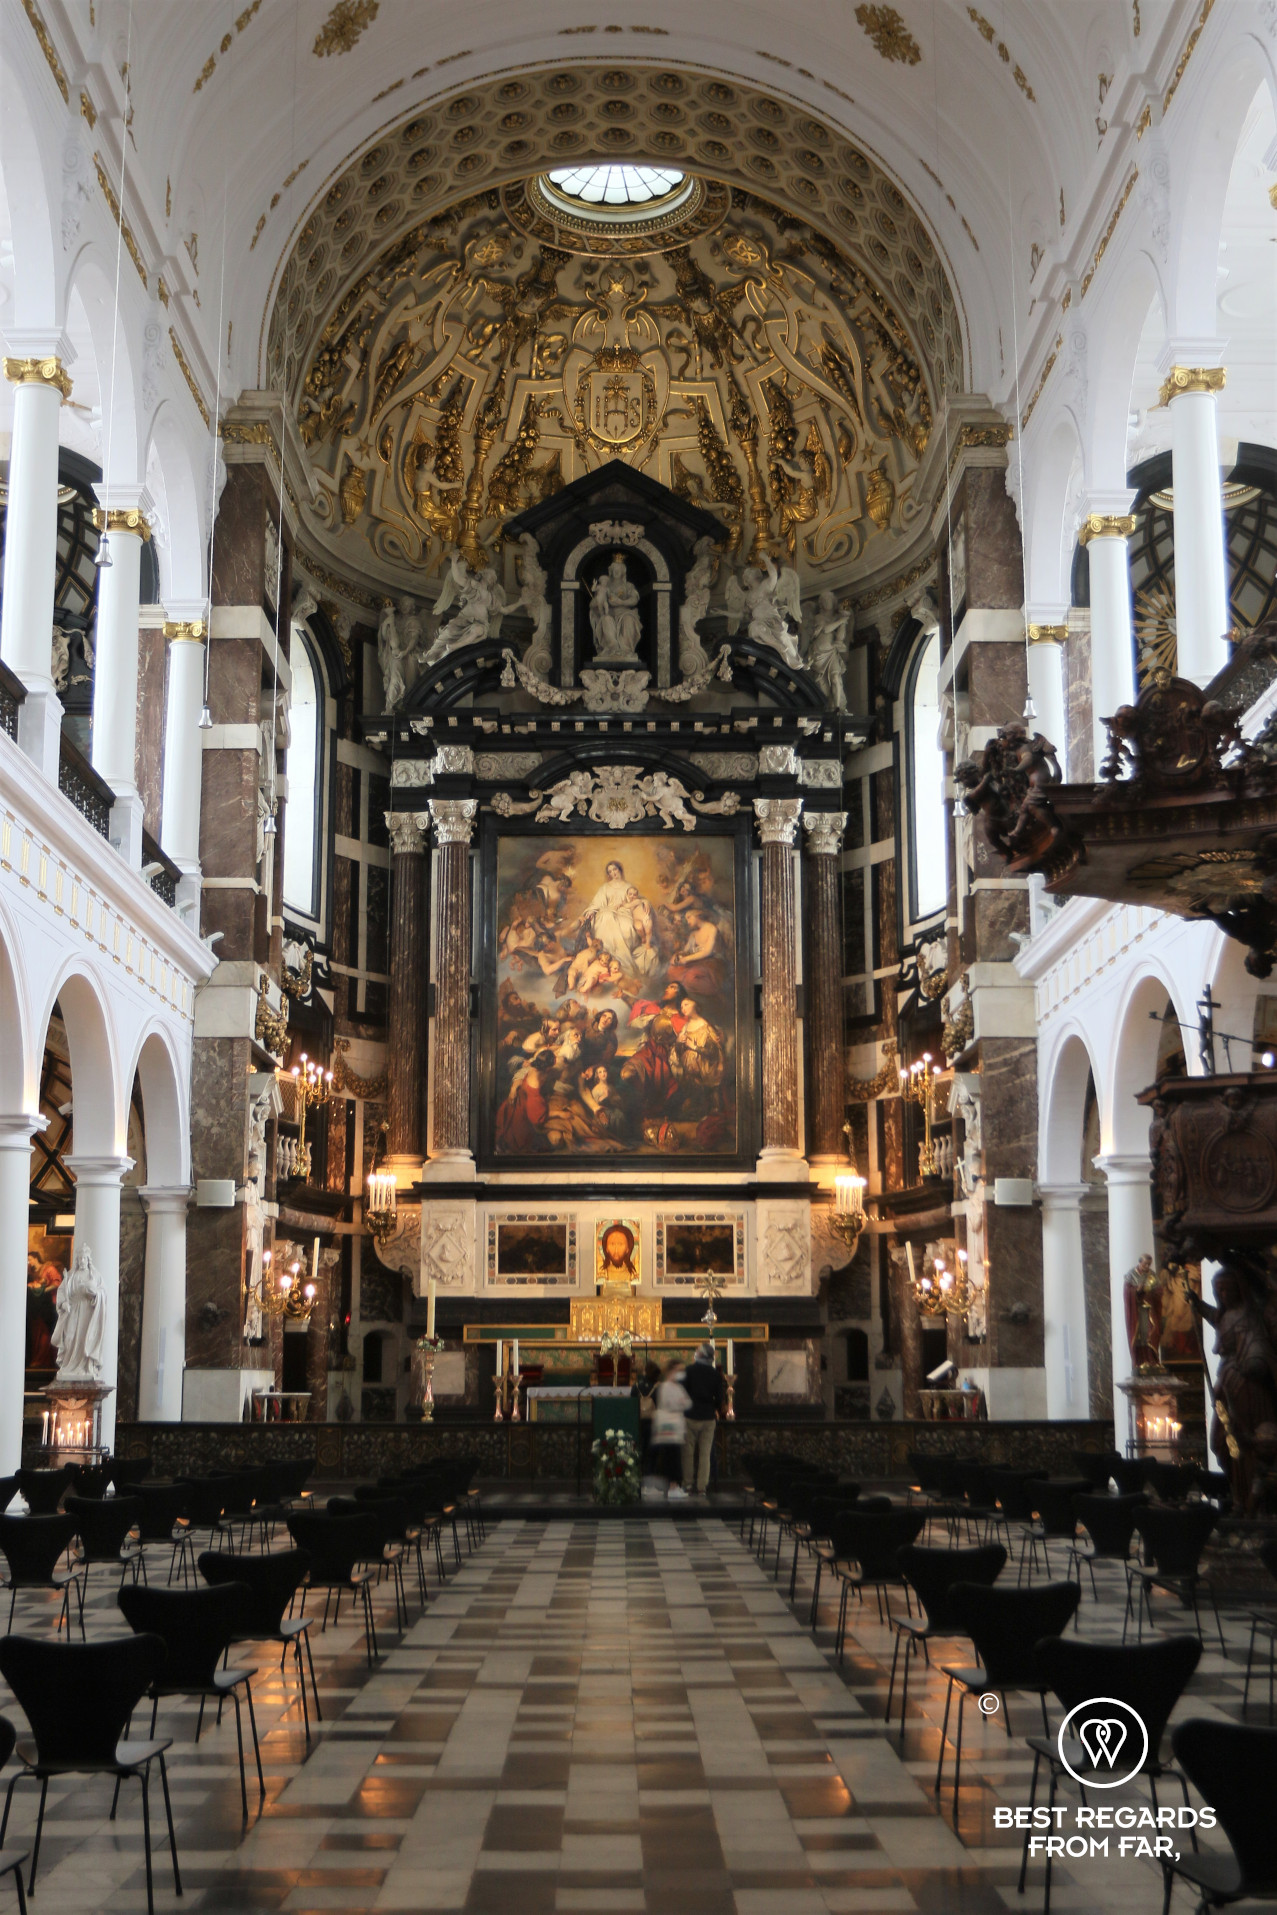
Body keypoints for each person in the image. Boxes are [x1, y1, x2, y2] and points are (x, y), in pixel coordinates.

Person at [682, 1340, 726, 1496]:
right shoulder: (715, 1374)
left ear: (700, 1355)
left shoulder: (689, 1370)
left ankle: (687, 1484)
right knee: (705, 1454)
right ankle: (702, 1487)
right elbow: (720, 1398)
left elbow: (683, 1392)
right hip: (708, 1417)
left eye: (697, 1351)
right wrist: (712, 1406)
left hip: (690, 1415)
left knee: (688, 1452)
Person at [650, 1359, 691, 1500]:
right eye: (678, 1370)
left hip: (675, 1428)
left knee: (673, 1457)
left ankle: (673, 1486)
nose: (681, 1373)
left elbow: (687, 1402)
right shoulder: (666, 1387)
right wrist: (679, 1403)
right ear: (671, 1371)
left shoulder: (677, 1387)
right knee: (671, 1458)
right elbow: (671, 1404)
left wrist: (680, 1403)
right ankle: (672, 1487)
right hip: (669, 1428)